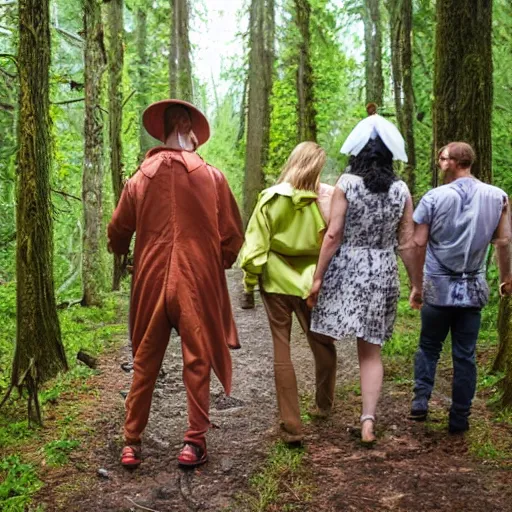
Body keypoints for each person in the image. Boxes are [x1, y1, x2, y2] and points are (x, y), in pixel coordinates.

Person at [107, 99, 244, 468]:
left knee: (145, 360)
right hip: (195, 280)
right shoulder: (212, 176)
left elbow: (118, 229)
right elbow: (232, 235)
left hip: (151, 278)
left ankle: (131, 443)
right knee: (197, 359)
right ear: (190, 133)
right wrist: (217, 263)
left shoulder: (139, 177)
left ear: (164, 130)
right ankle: (193, 442)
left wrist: (121, 251)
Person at [308, 104, 423, 445]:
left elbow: (333, 234)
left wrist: (317, 277)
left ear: (358, 153)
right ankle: (368, 421)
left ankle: (323, 399)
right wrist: (416, 283)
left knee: (325, 330)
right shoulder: (401, 190)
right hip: (383, 268)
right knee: (371, 352)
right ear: (390, 155)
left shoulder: (346, 183)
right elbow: (407, 243)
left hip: (348, 267)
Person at [239, 142, 337, 444]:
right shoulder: (329, 198)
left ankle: (291, 424)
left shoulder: (270, 198)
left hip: (276, 282)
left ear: (293, 162)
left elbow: (255, 249)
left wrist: (249, 285)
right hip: (313, 283)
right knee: (322, 343)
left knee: (282, 349)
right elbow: (335, 241)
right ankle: (323, 404)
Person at [410, 141, 511, 433]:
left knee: (429, 345)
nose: (439, 163)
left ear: (454, 162)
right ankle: (460, 417)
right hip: (472, 289)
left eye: (442, 159)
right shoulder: (498, 196)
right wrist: (507, 278)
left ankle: (420, 401)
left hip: (437, 287)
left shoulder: (433, 197)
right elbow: (503, 242)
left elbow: (418, 243)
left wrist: (416, 285)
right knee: (465, 354)